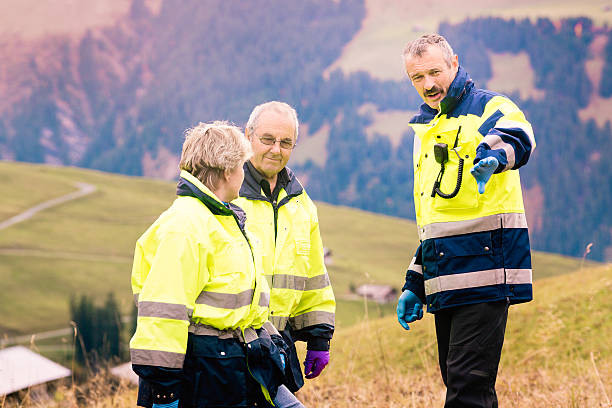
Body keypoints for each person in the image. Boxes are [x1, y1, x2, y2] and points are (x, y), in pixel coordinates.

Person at [396, 34, 536, 407]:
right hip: (448, 273)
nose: (428, 85)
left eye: (435, 72)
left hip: (486, 270)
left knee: (466, 390)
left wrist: (496, 155)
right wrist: (417, 281)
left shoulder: (488, 106)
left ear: (454, 63)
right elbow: (436, 218)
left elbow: (518, 134)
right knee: (459, 382)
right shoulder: (426, 130)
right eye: (417, 77)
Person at [130, 121, 302, 408]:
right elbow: (163, 314)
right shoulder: (186, 225)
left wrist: (271, 340)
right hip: (207, 374)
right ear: (227, 170)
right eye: (241, 165)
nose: (244, 173)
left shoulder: (223, 218)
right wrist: (164, 393)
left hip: (239, 364)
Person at [233, 101, 336, 394]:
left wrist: (319, 338)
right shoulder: (227, 195)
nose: (276, 149)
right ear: (248, 135)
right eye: (267, 139)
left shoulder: (302, 205)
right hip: (228, 350)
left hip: (276, 349)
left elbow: (315, 277)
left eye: (286, 142)